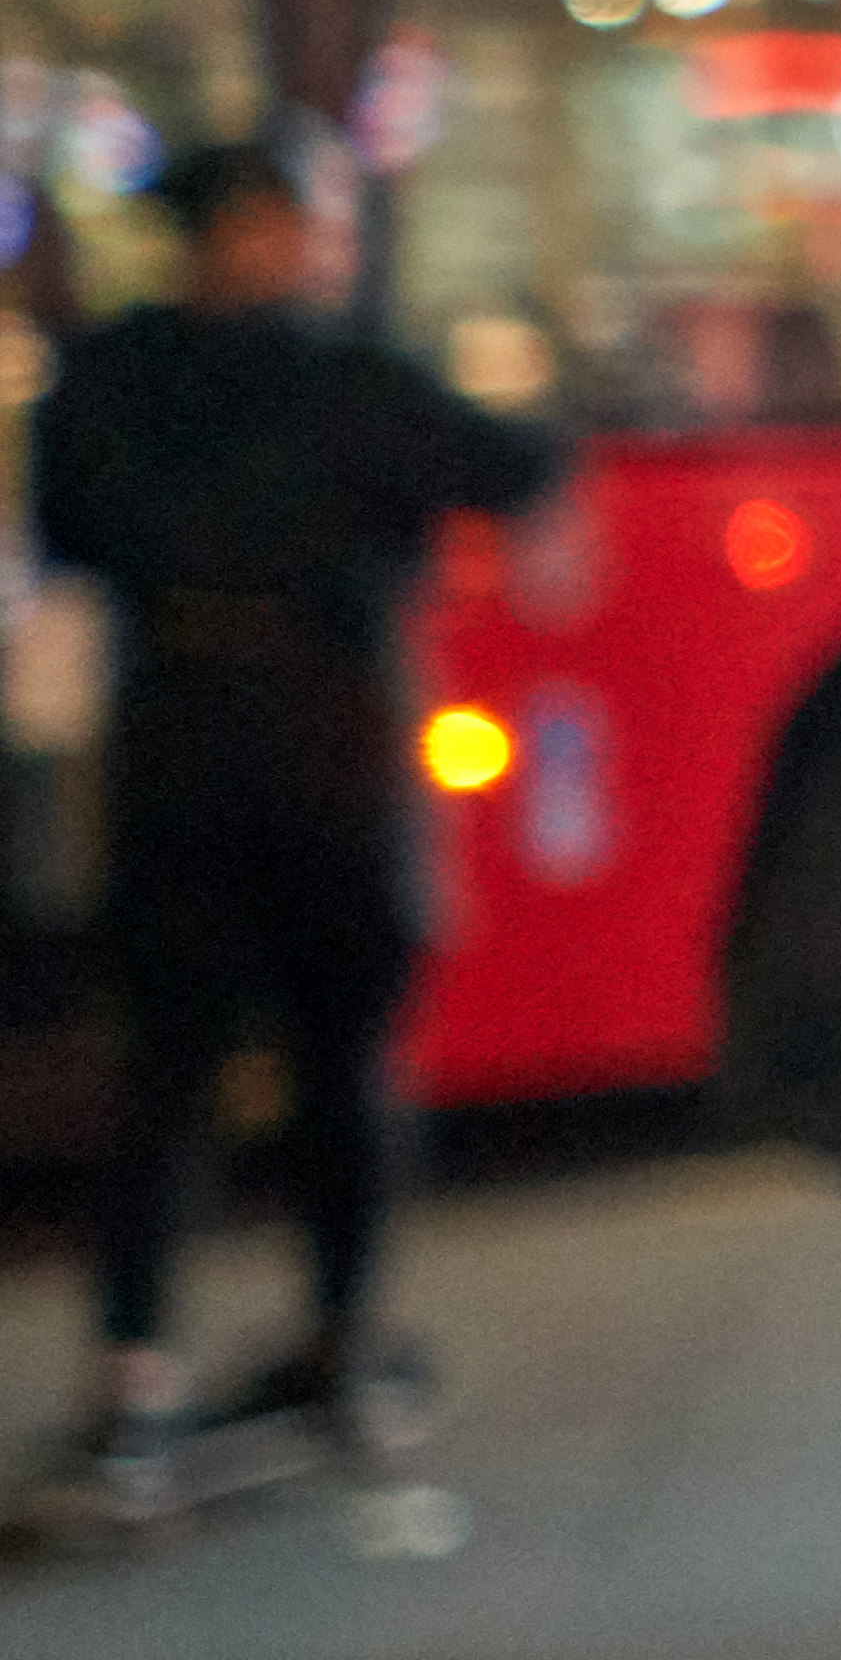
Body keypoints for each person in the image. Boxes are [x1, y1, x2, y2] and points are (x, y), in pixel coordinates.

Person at [29, 125, 562, 1492]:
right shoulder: (352, 377)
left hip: (172, 747)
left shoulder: (103, 379)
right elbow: (524, 471)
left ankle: (136, 1368)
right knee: (344, 1059)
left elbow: (71, 538)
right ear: (268, 230)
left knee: (163, 1068)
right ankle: (341, 1338)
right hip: (334, 744)